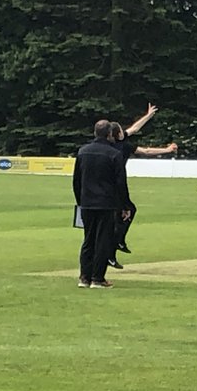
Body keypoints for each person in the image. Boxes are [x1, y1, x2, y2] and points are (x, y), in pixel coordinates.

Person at [106, 106, 177, 269]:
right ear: (118, 135)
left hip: (106, 186)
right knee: (122, 215)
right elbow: (146, 151)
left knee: (124, 213)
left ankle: (118, 243)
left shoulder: (115, 142)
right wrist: (166, 150)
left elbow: (135, 128)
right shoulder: (122, 146)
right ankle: (112, 250)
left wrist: (148, 115)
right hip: (116, 186)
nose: (125, 131)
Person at [72, 120, 126, 288]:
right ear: (110, 134)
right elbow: (120, 183)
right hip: (106, 203)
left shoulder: (82, 152)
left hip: (87, 203)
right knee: (103, 240)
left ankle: (84, 277)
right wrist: (123, 206)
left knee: (88, 240)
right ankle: (98, 278)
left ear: (95, 132)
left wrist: (81, 202)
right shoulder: (114, 154)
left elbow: (76, 181)